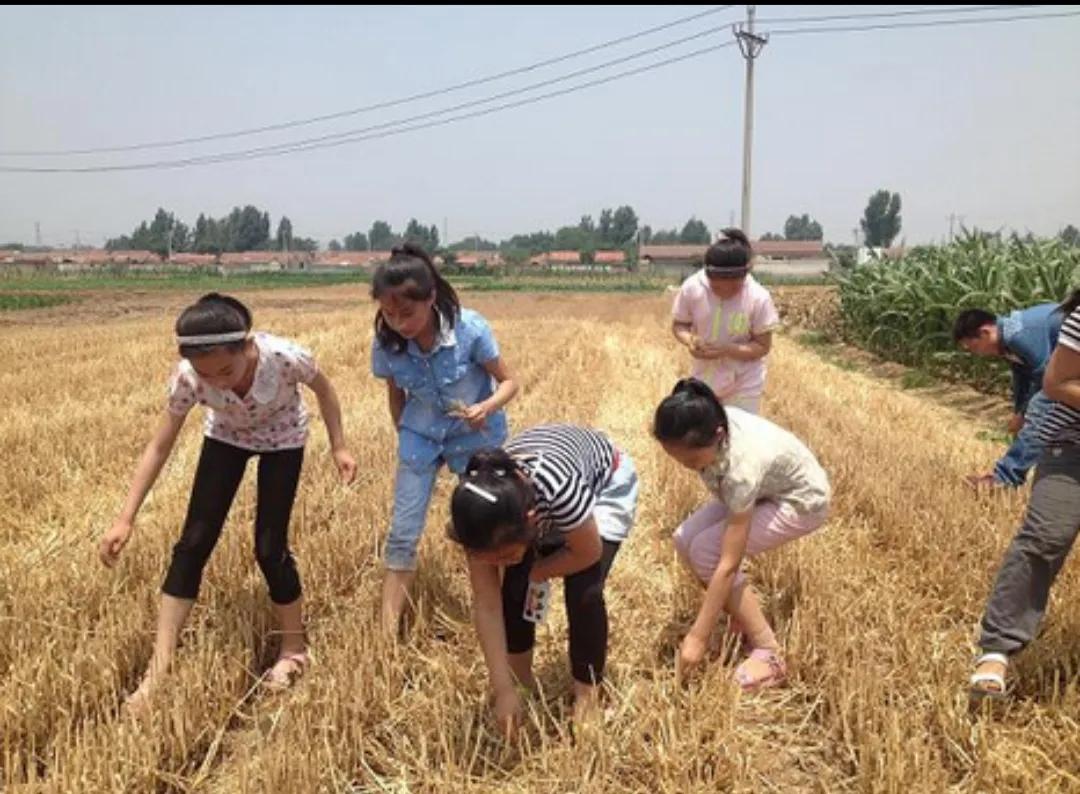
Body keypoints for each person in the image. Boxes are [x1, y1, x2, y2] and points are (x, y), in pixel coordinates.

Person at [99, 293, 357, 710]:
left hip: (283, 439)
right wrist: (125, 517)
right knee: (192, 544)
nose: (218, 381)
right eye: (208, 375)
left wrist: (339, 447)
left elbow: (326, 393)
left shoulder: (285, 358)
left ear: (247, 346)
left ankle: (293, 649)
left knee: (270, 547)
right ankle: (158, 670)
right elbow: (159, 446)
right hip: (226, 438)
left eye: (227, 369)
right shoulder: (188, 378)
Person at [448, 424, 638, 737]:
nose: (496, 565)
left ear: (531, 523)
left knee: (584, 590)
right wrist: (504, 689)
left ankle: (587, 696)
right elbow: (488, 606)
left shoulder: (558, 488)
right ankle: (521, 683)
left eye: (505, 555)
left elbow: (588, 552)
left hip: (604, 483)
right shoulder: (474, 517)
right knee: (514, 589)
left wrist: (536, 572)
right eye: (488, 559)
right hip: (529, 504)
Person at [371, 242, 518, 636]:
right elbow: (394, 392)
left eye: (407, 313)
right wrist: (403, 428)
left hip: (474, 438)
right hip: (420, 435)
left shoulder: (470, 329)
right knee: (403, 529)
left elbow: (509, 382)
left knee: (488, 522)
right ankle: (386, 633)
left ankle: (497, 611)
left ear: (431, 297)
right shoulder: (387, 343)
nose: (399, 322)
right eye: (389, 313)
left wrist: (486, 407)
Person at [652, 378, 829, 691]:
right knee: (683, 539)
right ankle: (740, 613)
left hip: (800, 501)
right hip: (766, 488)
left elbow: (728, 562)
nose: (687, 468)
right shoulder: (711, 421)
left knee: (708, 552)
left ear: (718, 435)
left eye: (692, 461)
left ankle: (769, 651)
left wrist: (698, 637)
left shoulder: (740, 469)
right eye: (677, 460)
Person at [970, 289, 1080, 701]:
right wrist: (1021, 416)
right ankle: (996, 649)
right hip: (1072, 448)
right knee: (1044, 539)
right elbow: (1054, 380)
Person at [670, 228, 780, 414]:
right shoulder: (692, 288)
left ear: (745, 276)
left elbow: (762, 346)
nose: (725, 292)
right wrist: (690, 340)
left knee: (740, 433)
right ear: (708, 276)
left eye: (733, 288)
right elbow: (679, 324)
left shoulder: (758, 298)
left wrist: (726, 350)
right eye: (717, 287)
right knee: (705, 435)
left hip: (744, 381)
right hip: (704, 378)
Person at [953, 303, 1063, 487]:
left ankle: (1004, 479)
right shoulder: (1007, 340)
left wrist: (1025, 413)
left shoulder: (1018, 336)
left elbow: (1044, 379)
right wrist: (1018, 412)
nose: (976, 354)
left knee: (1040, 407)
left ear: (985, 333)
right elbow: (1022, 376)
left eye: (973, 347)